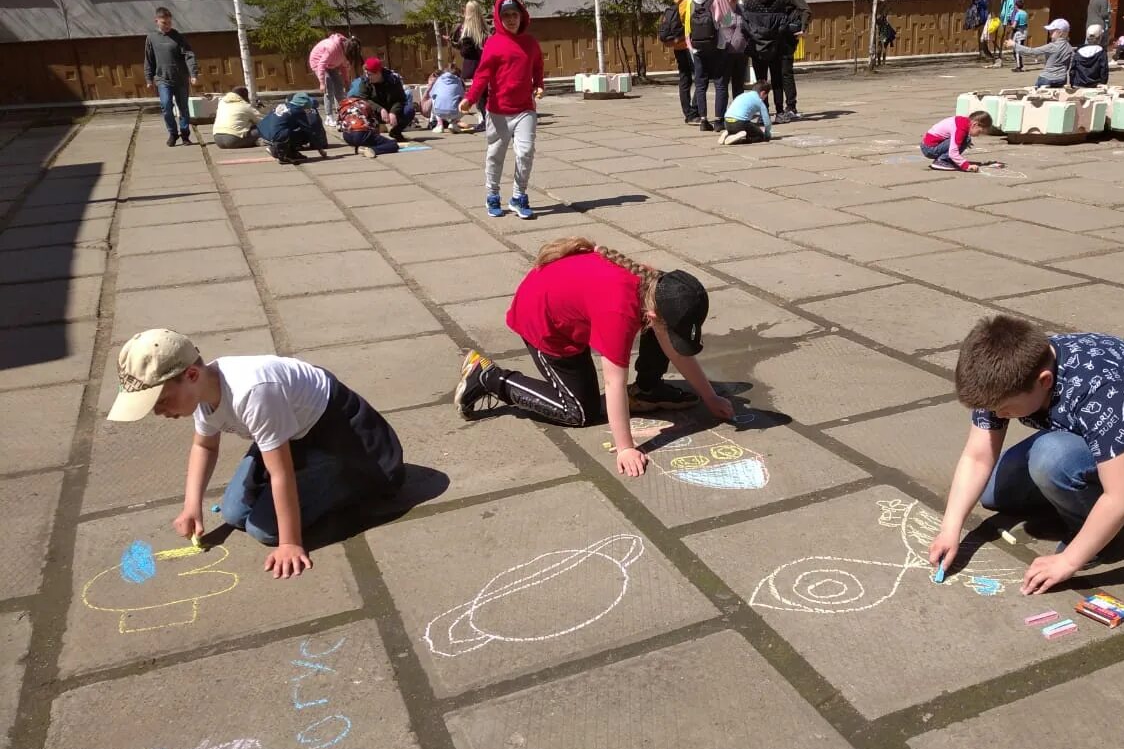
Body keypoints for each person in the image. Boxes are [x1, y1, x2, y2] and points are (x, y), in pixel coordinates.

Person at [927, 316, 1124, 596]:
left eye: (1004, 408)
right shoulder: (1007, 375)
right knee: (993, 493)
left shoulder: (1101, 388)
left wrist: (1069, 561)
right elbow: (978, 457)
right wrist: (950, 528)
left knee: (1052, 459)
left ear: (1044, 381)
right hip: (1090, 436)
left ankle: (1092, 534)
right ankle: (1075, 491)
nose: (996, 416)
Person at [106, 328, 405, 579]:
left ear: (192, 375)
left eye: (161, 401)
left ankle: (350, 482)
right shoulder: (203, 392)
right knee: (235, 513)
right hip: (292, 432)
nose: (158, 412)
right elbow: (204, 446)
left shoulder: (253, 391)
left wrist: (290, 543)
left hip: (342, 437)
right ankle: (311, 478)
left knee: (266, 531)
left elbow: (280, 472)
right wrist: (191, 506)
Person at [452, 238, 735, 477]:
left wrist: (709, 397)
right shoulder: (619, 313)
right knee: (577, 412)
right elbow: (613, 382)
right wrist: (625, 447)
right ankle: (489, 376)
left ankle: (647, 391)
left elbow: (675, 350)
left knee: (659, 335)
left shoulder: (657, 285)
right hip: (543, 322)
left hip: (569, 304)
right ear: (651, 314)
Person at [460, 0, 544, 220]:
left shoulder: (530, 43)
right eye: (505, 15)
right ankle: (493, 195)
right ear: (499, 18)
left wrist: (539, 85)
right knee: (496, 155)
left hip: (525, 108)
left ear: (521, 16)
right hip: (498, 111)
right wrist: (470, 98)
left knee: (525, 152)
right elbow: (482, 75)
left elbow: (537, 66)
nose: (511, 19)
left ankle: (518, 196)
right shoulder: (494, 44)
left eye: (514, 14)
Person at [684, 0, 735, 133]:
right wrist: (726, 39)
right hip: (717, 44)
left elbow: (688, 22)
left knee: (700, 84)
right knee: (720, 83)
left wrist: (691, 45)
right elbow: (728, 21)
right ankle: (719, 120)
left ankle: (703, 119)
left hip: (697, 45)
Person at [741, 0, 796, 121]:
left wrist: (755, 37)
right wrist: (775, 37)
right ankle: (779, 112)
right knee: (777, 78)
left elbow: (745, 23)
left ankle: (763, 113)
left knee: (760, 80)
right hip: (775, 45)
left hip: (757, 45)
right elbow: (783, 23)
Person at [143, 6, 199, 147]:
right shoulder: (151, 38)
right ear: (157, 21)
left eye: (169, 22)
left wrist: (193, 74)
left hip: (180, 79)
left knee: (183, 108)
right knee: (166, 106)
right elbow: (148, 59)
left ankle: (185, 135)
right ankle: (173, 133)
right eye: (164, 23)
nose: (167, 26)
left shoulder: (178, 37)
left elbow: (189, 55)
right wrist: (149, 78)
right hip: (163, 79)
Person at [772, 0, 809, 120]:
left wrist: (803, 28)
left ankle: (791, 106)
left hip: (788, 36)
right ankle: (780, 106)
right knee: (777, 73)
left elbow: (806, 9)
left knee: (786, 72)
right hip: (777, 35)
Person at [347, 57, 414, 141]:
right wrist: (380, 109)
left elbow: (400, 99)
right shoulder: (365, 81)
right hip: (374, 112)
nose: (368, 77)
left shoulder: (393, 80)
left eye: (370, 74)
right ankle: (372, 135)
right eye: (367, 74)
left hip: (390, 109)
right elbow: (364, 99)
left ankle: (395, 132)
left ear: (378, 73)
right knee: (362, 109)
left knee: (409, 110)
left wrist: (393, 112)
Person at [663, 0, 700, 124]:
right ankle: (694, 111)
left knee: (684, 79)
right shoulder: (688, 2)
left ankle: (687, 113)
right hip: (688, 45)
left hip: (677, 45)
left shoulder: (676, 2)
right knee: (700, 77)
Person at [257, 93, 328, 165]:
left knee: (293, 129)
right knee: (305, 134)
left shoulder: (284, 105)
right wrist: (320, 149)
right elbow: (308, 130)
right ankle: (280, 154)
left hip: (264, 131)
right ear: (303, 104)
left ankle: (290, 152)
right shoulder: (298, 111)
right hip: (278, 134)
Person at [451, 0, 489, 125]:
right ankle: (486, 116)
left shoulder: (465, 30)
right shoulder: (484, 28)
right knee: (484, 92)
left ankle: (485, 118)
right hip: (485, 62)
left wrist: (459, 45)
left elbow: (466, 52)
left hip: (473, 65)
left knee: (480, 93)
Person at [1007, 18, 1073, 88]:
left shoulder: (1052, 46)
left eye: (1052, 31)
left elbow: (1032, 52)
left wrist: (1014, 45)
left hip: (1047, 78)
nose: (1049, 32)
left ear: (1060, 33)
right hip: (1061, 79)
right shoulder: (1069, 47)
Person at [308, 33, 357, 127]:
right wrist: (322, 83)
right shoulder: (332, 48)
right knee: (328, 89)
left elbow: (343, 67)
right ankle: (329, 117)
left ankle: (342, 114)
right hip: (318, 63)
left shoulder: (345, 51)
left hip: (331, 65)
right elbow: (321, 65)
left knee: (339, 88)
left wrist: (346, 81)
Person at [920, 110, 993, 172]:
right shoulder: (960, 129)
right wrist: (966, 166)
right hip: (929, 149)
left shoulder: (963, 122)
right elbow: (953, 152)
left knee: (965, 139)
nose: (978, 135)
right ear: (975, 125)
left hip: (929, 145)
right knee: (965, 140)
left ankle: (946, 160)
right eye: (979, 132)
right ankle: (942, 161)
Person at [723, 0, 752, 102]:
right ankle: (723, 111)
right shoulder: (725, 11)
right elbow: (725, 30)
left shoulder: (741, 9)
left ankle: (737, 107)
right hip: (727, 53)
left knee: (739, 84)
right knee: (724, 84)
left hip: (741, 52)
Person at [429, 63, 467, 132]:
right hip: (455, 112)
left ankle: (439, 124)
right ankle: (453, 123)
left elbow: (431, 94)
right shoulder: (459, 81)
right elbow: (463, 95)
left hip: (438, 111)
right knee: (465, 101)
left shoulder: (439, 80)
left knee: (435, 98)